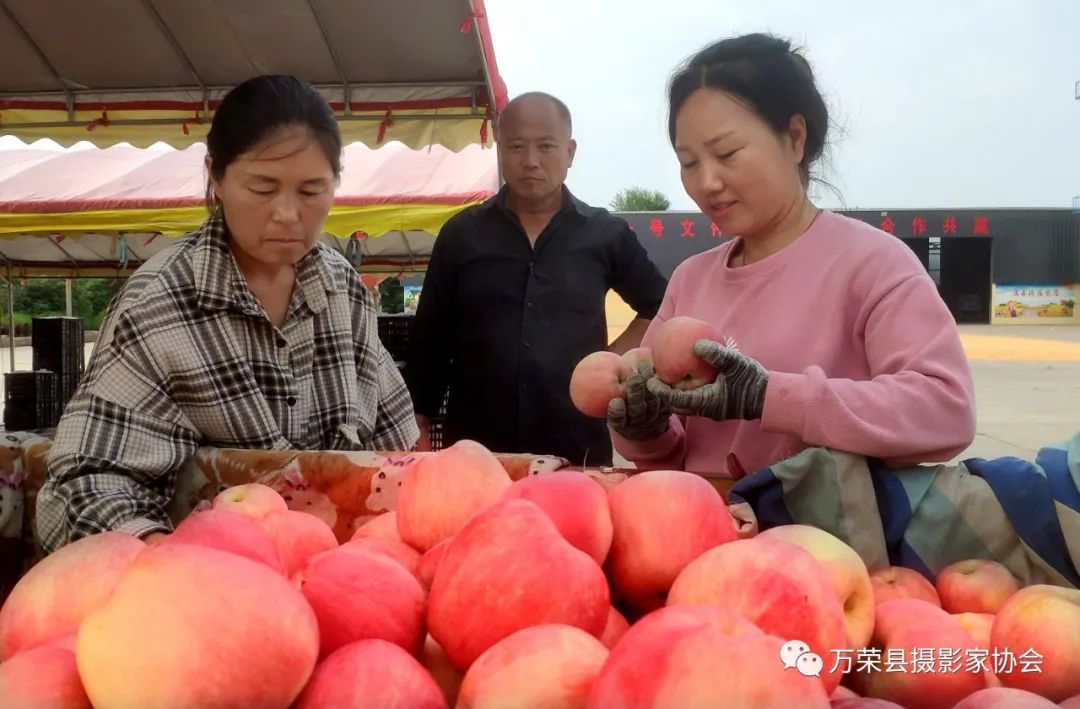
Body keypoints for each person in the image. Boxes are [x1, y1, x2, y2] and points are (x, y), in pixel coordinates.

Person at [36, 75, 418, 553]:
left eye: (311, 190)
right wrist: (167, 558)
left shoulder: (343, 290)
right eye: (262, 188)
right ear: (215, 176)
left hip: (339, 569)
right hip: (204, 580)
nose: (286, 213)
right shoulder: (160, 305)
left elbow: (394, 447)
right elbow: (86, 484)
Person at [607, 34, 977, 478]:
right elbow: (671, 455)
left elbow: (945, 411)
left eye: (727, 154)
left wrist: (770, 396)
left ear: (795, 138)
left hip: (827, 541)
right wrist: (646, 429)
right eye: (689, 162)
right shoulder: (690, 280)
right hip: (707, 534)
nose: (706, 182)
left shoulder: (874, 264)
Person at [406, 92, 668, 466]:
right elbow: (430, 337)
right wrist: (420, 416)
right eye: (516, 146)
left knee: (576, 525)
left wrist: (609, 360)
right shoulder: (462, 235)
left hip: (576, 439)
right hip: (477, 444)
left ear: (570, 152)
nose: (530, 161)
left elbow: (659, 304)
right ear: (499, 147)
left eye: (546, 146)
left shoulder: (605, 234)